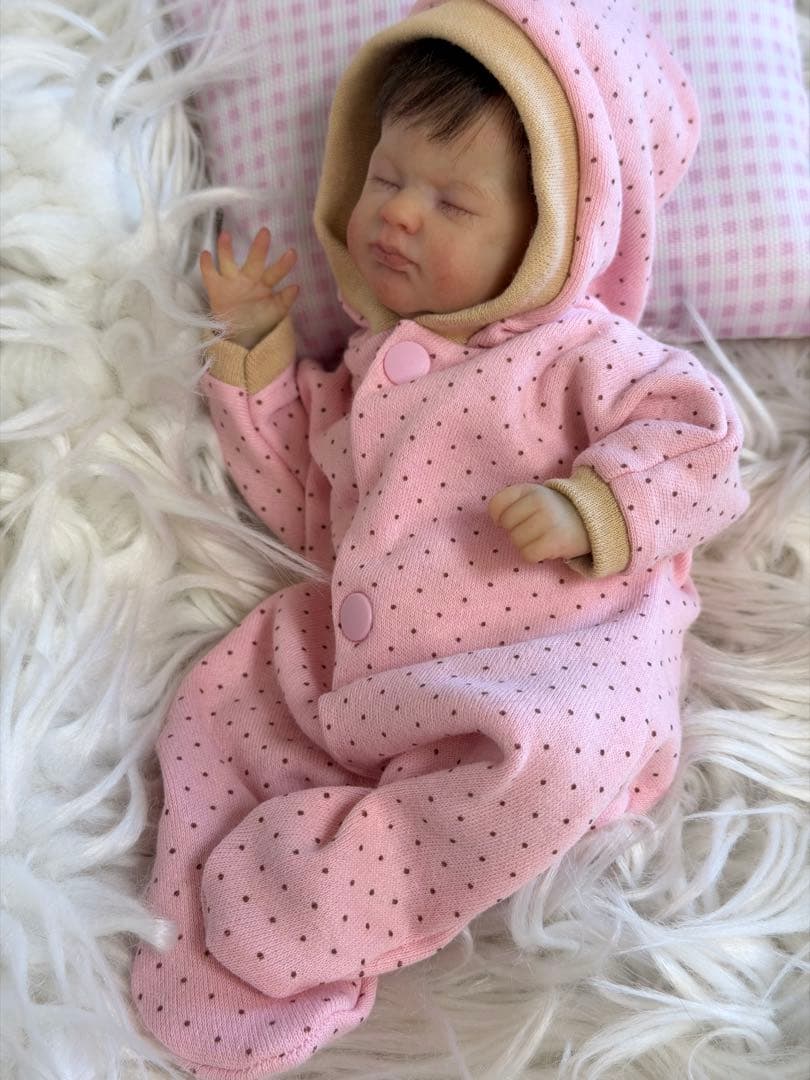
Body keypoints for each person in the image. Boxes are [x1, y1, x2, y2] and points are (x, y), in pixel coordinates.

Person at [131, 2, 749, 1076]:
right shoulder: (372, 371)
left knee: (558, 759)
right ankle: (212, 945)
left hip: (560, 663)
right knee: (228, 694)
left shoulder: (582, 354)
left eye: (453, 200)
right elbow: (306, 502)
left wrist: (595, 507)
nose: (400, 216)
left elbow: (702, 445)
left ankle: (338, 889)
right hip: (380, 677)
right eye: (385, 178)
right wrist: (257, 352)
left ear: (556, 227)